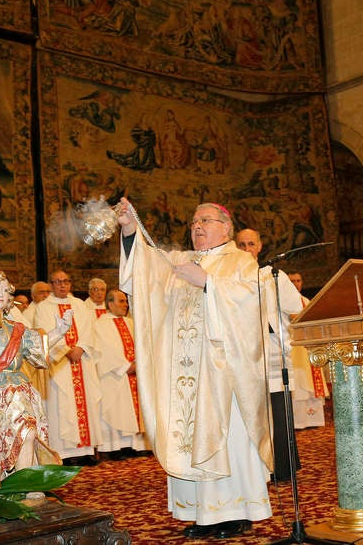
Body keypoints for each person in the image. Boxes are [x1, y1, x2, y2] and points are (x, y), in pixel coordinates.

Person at [116, 198, 271, 539]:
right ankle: (201, 513)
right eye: (193, 222)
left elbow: (253, 306)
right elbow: (143, 274)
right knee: (185, 436)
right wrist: (129, 231)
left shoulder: (241, 261)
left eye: (206, 220)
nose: (197, 226)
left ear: (226, 228)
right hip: (183, 376)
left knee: (225, 439)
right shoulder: (180, 261)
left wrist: (209, 283)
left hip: (223, 376)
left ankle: (234, 512)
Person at [0, 270, 72, 487]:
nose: (0, 294)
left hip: (22, 391)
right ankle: (18, 485)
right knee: (6, 439)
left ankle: (26, 484)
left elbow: (38, 345)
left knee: (28, 432)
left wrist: (60, 331)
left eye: (4, 290)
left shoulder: (17, 328)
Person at [235, 228, 304, 481]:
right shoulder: (228, 278)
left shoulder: (273, 276)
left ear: (260, 246)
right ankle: (253, 471)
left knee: (277, 411)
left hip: (272, 352)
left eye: (251, 244)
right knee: (249, 412)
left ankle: (282, 467)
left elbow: (296, 309)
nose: (246, 249)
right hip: (242, 355)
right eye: (241, 244)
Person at [34, 270, 103, 466]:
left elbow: (90, 330)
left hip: (82, 360)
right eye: (58, 282)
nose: (62, 285)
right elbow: (43, 332)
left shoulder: (80, 305)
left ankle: (86, 450)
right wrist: (65, 350)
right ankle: (65, 452)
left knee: (86, 403)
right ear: (51, 285)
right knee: (61, 405)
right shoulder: (43, 307)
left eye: (66, 281)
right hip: (60, 365)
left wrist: (81, 348)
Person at [92, 289, 148, 458]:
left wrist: (138, 363)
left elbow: (143, 343)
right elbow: (105, 350)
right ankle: (115, 448)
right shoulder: (100, 324)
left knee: (133, 410)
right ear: (110, 304)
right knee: (117, 410)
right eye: (121, 301)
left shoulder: (131, 323)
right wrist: (125, 366)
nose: (125, 305)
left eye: (126, 301)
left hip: (135, 372)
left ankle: (135, 446)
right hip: (115, 375)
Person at [286, 270, 328, 428]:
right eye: (292, 281)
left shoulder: (306, 301)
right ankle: (298, 421)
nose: (295, 284)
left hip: (307, 349)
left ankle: (312, 420)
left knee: (308, 380)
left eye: (298, 281)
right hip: (292, 350)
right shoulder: (282, 302)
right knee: (298, 382)